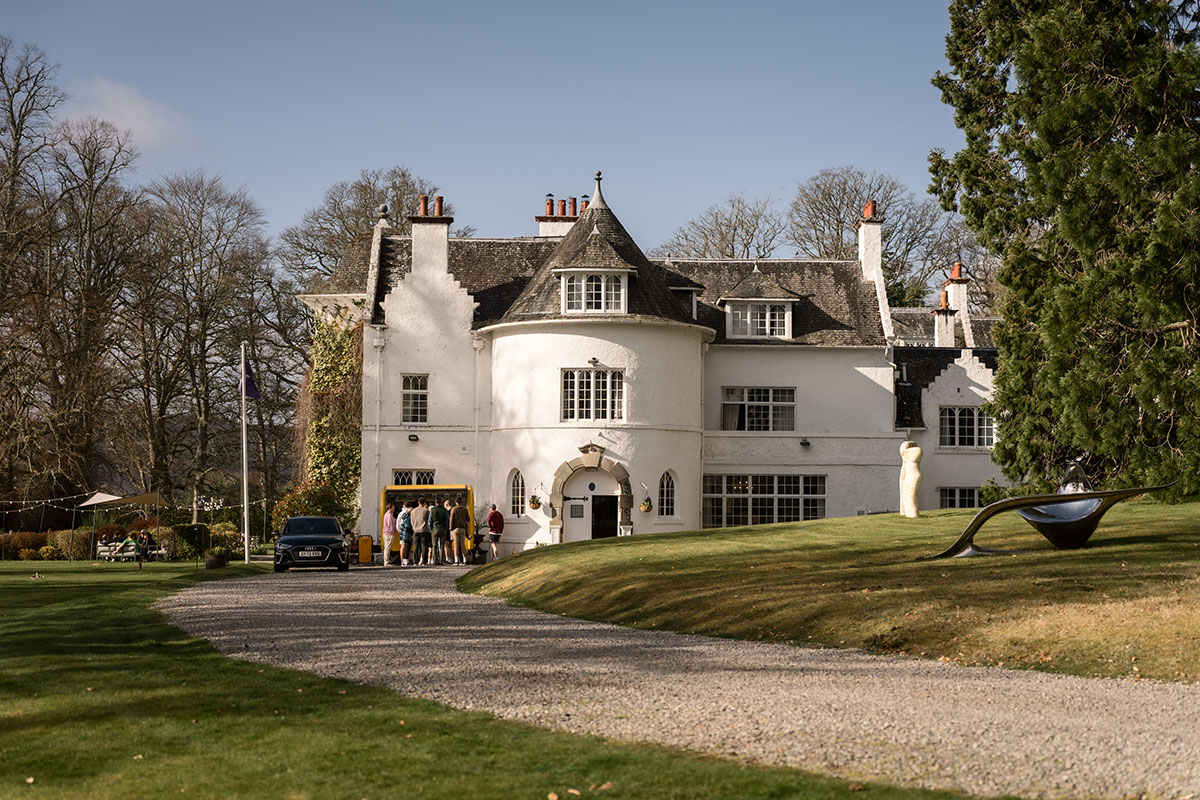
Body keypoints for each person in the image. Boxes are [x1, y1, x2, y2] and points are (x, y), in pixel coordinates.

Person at [410, 497, 432, 566]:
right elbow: (428, 521)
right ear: (424, 502)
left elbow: (411, 521)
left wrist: (414, 527)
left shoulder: (413, 511)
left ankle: (415, 561)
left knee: (416, 546)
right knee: (424, 546)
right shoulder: (426, 511)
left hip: (416, 530)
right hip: (424, 530)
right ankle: (424, 562)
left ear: (418, 502)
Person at [449, 497, 469, 565]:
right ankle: (465, 560)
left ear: (455, 502)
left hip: (455, 529)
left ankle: (456, 560)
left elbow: (451, 520)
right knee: (462, 544)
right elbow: (468, 519)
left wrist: (450, 528)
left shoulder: (453, 509)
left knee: (456, 544)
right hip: (462, 529)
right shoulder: (465, 509)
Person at [431, 498, 450, 565]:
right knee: (442, 545)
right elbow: (447, 521)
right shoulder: (444, 510)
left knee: (434, 545)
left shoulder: (432, 510)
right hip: (443, 528)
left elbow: (430, 521)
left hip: (435, 528)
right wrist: (446, 528)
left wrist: (431, 529)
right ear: (441, 502)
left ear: (435, 503)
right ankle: (441, 560)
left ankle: (435, 560)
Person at [398, 501, 415, 566]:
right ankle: (405, 562)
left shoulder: (404, 517)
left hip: (404, 535)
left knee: (406, 548)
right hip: (407, 535)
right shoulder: (408, 518)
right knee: (407, 549)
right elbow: (408, 527)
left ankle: (405, 562)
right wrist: (411, 532)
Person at [381, 501, 397, 566]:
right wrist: (393, 532)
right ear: (390, 508)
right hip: (389, 533)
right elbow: (390, 525)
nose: (394, 508)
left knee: (387, 547)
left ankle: (386, 560)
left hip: (386, 533)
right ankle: (386, 562)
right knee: (387, 548)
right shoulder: (389, 515)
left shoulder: (387, 514)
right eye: (393, 507)